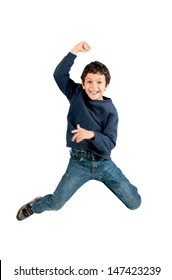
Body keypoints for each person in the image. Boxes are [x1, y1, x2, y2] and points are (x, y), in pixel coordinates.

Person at [16, 41, 141, 221]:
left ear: (106, 85)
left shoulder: (111, 110)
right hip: (78, 163)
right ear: (82, 83)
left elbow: (110, 143)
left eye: (99, 82)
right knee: (56, 203)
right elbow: (59, 75)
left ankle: (125, 185)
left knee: (135, 203)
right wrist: (74, 51)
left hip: (103, 163)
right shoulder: (76, 94)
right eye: (89, 81)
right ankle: (34, 206)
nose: (93, 86)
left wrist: (91, 135)